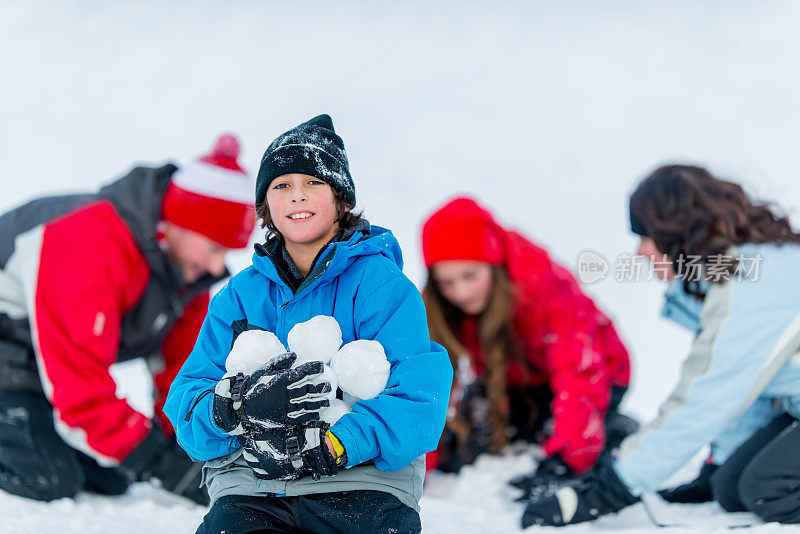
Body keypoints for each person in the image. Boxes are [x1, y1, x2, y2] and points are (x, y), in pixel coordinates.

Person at [165, 114, 452, 534]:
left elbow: (420, 394)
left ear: (341, 199)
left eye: (313, 183)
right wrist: (233, 406)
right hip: (255, 486)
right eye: (282, 186)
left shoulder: (383, 287)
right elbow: (187, 400)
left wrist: (339, 443)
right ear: (266, 206)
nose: (297, 197)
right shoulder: (238, 296)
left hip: (362, 483)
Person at [522, 164, 800, 527]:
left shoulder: (753, 288)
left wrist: (609, 490)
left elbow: (707, 396)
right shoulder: (744, 267)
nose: (641, 252)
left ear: (680, 234)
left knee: (769, 488)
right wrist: (718, 468)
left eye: (647, 237)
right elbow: (750, 386)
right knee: (732, 488)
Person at [0, 134, 255, 504]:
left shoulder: (183, 273)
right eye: (215, 247)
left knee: (112, 479)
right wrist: (156, 461)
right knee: (49, 477)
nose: (219, 266)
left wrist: (188, 444)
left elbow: (185, 371)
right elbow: (79, 383)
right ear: (180, 222)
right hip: (11, 349)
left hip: (35, 366)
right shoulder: (89, 244)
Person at [420, 197, 636, 488]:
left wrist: (566, 463)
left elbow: (580, 373)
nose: (461, 292)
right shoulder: (441, 306)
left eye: (470, 276)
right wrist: (418, 463)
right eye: (447, 282)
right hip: (520, 380)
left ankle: (616, 431)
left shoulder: (547, 285)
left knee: (573, 444)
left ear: (492, 265)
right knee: (464, 449)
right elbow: (430, 385)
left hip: (598, 376)